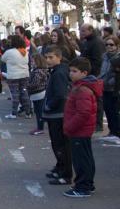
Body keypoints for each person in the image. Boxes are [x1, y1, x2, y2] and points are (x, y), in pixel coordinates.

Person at [63, 57, 101, 198]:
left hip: (80, 130)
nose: (71, 74)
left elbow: (83, 113)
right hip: (82, 129)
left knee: (81, 160)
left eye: (74, 71)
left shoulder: (82, 90)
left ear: (84, 73)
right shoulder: (80, 87)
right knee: (85, 157)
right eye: (70, 71)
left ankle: (83, 187)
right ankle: (87, 184)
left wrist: (69, 127)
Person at [42, 46, 72, 186]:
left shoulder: (59, 72)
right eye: (46, 57)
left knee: (60, 145)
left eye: (51, 57)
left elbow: (60, 95)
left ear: (58, 57)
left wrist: (49, 106)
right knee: (57, 144)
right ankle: (60, 168)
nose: (48, 60)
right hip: (55, 113)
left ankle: (65, 174)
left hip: (58, 114)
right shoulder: (56, 71)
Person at [79, 24, 105, 132]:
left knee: (96, 100)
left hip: (93, 76)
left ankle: (98, 124)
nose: (82, 33)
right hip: (87, 74)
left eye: (84, 31)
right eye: (81, 31)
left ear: (90, 30)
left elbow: (97, 60)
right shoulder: (87, 42)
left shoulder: (96, 42)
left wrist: (90, 73)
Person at [2, 35, 33, 119]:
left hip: (13, 76)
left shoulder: (9, 52)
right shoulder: (25, 51)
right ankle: (28, 112)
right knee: (24, 93)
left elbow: (3, 59)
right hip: (24, 75)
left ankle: (14, 113)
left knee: (15, 94)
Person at [98, 35, 120, 143]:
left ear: (117, 46)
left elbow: (115, 75)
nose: (109, 47)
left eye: (111, 45)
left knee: (114, 110)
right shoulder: (104, 57)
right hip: (104, 87)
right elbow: (103, 71)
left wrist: (107, 82)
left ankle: (117, 132)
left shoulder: (117, 58)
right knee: (107, 109)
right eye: (107, 45)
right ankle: (112, 131)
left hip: (113, 88)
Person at [28, 54, 49, 136]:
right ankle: (40, 127)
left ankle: (40, 128)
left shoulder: (38, 71)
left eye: (33, 61)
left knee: (39, 112)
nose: (32, 63)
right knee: (38, 111)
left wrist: (27, 85)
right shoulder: (42, 70)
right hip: (39, 93)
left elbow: (35, 83)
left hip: (38, 93)